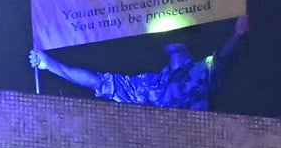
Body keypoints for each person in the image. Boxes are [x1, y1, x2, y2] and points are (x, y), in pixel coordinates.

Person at [29, 15, 250, 110]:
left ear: (191, 37)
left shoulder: (201, 72)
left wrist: (237, 34)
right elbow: (97, 82)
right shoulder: (149, 85)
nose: (174, 36)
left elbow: (221, 58)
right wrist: (49, 64)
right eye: (169, 32)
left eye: (181, 31)